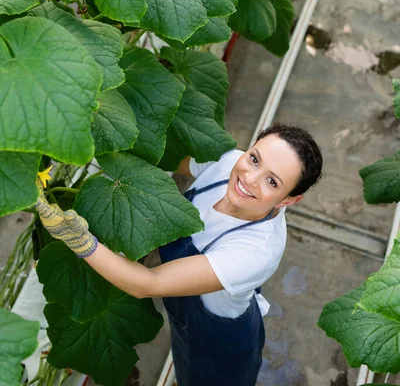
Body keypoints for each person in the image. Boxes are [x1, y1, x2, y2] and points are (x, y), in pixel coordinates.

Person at [34, 122, 323, 386]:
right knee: (184, 364)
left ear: (289, 199)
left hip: (217, 337)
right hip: (186, 315)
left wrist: (79, 239)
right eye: (254, 158)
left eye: (272, 182)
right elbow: (173, 159)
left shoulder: (256, 252)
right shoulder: (229, 162)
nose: (249, 177)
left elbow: (147, 284)